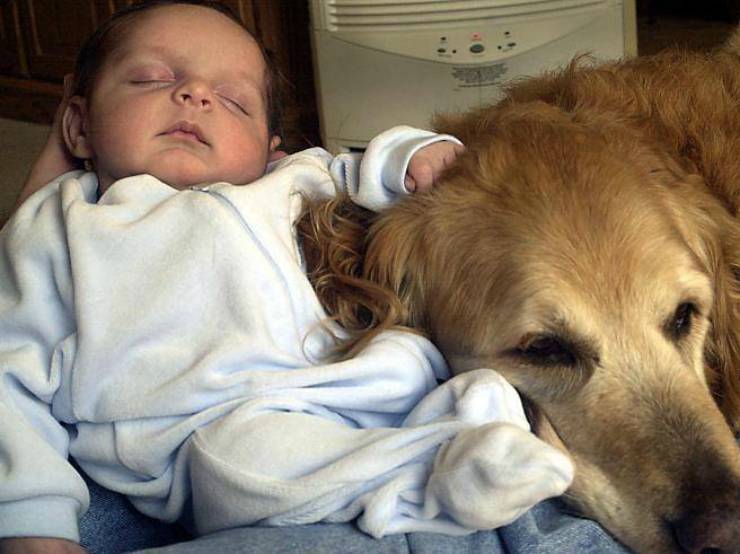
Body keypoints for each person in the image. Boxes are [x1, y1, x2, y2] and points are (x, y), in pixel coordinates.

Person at [0, 1, 574, 553]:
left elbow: (365, 170)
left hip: (349, 374)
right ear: (78, 126)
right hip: (203, 423)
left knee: (453, 376)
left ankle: (478, 433)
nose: (196, 95)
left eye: (234, 101)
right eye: (151, 79)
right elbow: (10, 372)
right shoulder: (59, 226)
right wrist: (32, 514)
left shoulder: (287, 180)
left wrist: (417, 154)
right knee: (250, 469)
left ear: (268, 149)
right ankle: (435, 481)